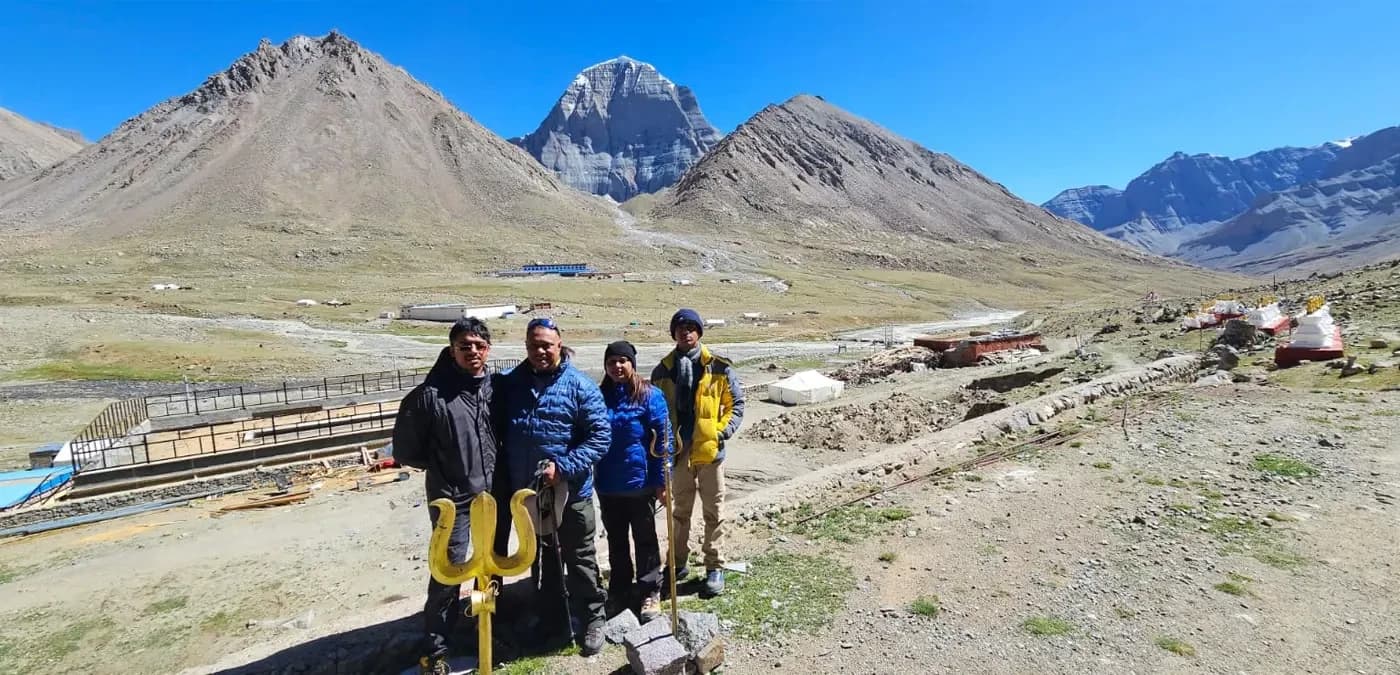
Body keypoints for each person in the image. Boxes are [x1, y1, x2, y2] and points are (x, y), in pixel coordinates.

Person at [494, 317, 611, 655]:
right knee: (541, 558)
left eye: (546, 344)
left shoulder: (580, 386)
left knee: (579, 556)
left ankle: (592, 616)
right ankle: (551, 618)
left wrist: (564, 468)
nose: (540, 351)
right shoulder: (511, 384)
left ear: (560, 344)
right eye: (534, 345)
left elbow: (601, 437)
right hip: (528, 497)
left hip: (571, 495)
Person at [390, 317, 500, 675]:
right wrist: (445, 467)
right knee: (448, 572)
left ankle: (484, 630)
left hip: (491, 496)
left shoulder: (493, 387)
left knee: (489, 569)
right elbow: (407, 450)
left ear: (488, 349)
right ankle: (436, 648)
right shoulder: (430, 396)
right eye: (464, 345)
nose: (472, 352)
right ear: (452, 349)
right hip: (453, 499)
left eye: (479, 346)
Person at [650, 308, 744, 598]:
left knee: (714, 512)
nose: (686, 332)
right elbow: (653, 412)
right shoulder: (662, 370)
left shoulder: (719, 367)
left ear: (699, 332)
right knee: (679, 513)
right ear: (673, 333)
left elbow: (735, 405)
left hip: (710, 451)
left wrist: (720, 432)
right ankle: (677, 564)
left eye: (691, 327)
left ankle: (714, 565)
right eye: (680, 328)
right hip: (677, 453)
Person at [595, 340, 672, 621]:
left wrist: (663, 480)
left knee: (645, 540)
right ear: (605, 365)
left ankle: (650, 591)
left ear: (632, 364)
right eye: (612, 361)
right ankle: (619, 590)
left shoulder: (649, 395)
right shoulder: (597, 395)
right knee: (616, 542)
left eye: (622, 361)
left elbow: (664, 439)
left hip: (640, 484)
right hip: (607, 484)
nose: (617, 366)